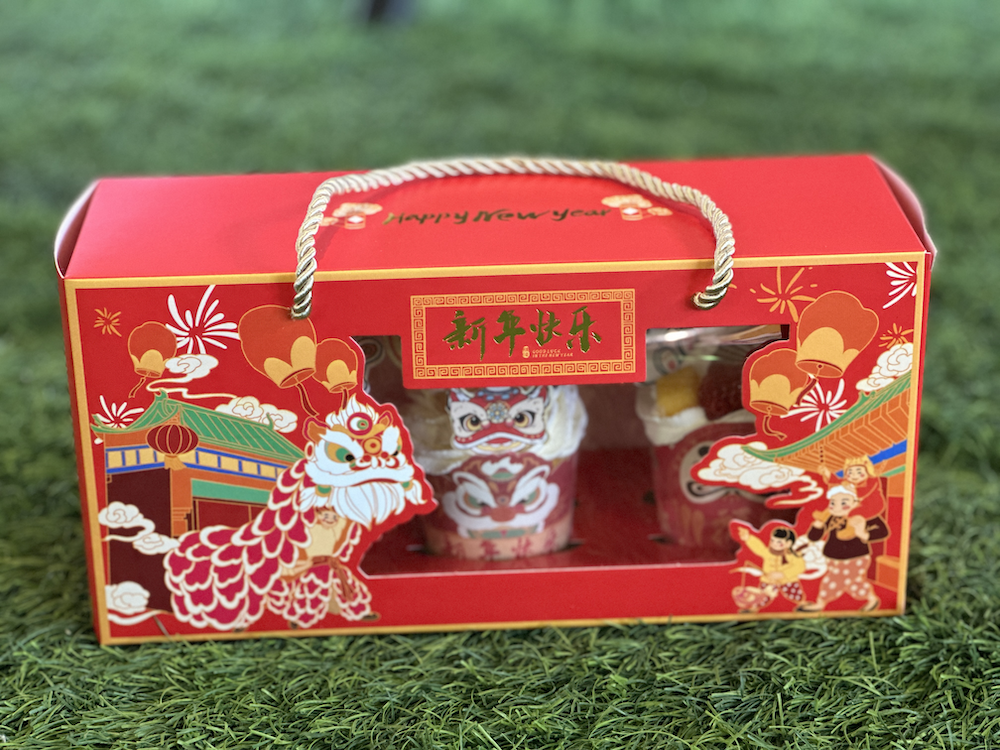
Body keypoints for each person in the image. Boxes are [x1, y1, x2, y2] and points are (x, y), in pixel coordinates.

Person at [799, 483, 887, 612]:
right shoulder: (831, 516)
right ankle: (872, 599)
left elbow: (883, 531)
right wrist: (818, 525)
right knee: (853, 582)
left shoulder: (865, 515)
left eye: (843, 502)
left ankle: (820, 603)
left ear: (856, 502)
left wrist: (864, 534)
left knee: (833, 580)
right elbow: (813, 537)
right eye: (833, 502)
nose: (836, 506)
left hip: (855, 557)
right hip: (832, 557)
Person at [734, 525, 806, 612]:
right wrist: (748, 538)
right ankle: (754, 608)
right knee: (762, 595)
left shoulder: (794, 555)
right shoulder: (768, 552)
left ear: (788, 543)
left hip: (788, 580)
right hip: (768, 580)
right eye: (772, 540)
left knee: (795, 593)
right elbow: (759, 548)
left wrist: (783, 574)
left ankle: (802, 604)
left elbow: (799, 567)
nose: (774, 544)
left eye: (779, 542)